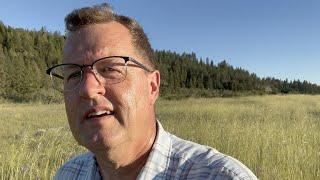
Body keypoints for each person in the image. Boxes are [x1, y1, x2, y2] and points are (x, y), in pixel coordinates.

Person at [47, 3, 257, 180]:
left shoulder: (221, 176)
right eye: (73, 75)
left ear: (152, 87)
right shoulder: (68, 174)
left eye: (110, 69)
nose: (88, 88)